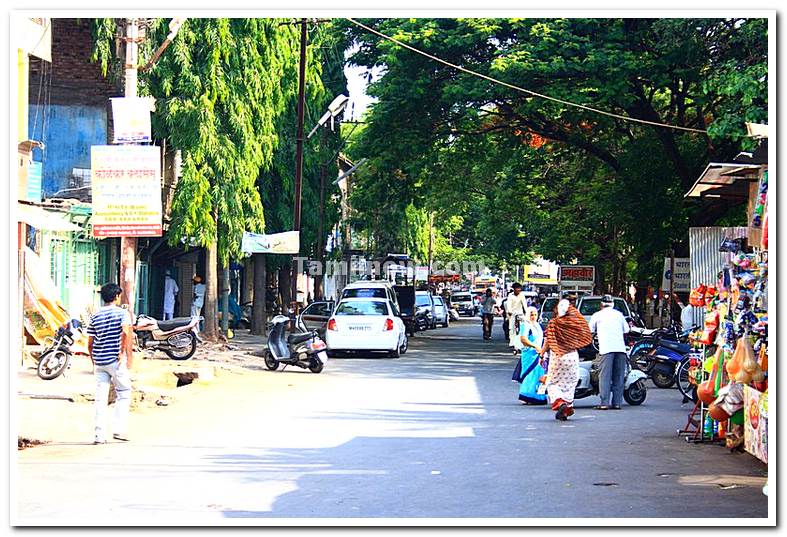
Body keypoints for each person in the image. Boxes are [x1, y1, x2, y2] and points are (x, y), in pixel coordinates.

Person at [86, 283, 133, 444]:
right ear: (117, 296)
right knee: (124, 392)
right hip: (115, 360)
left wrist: (93, 359)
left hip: (99, 361)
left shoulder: (95, 315)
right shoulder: (122, 313)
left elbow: (90, 342)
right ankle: (119, 430)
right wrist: (121, 352)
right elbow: (125, 332)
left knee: (100, 398)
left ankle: (99, 435)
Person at [540, 299, 592, 421]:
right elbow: (584, 334)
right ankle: (567, 407)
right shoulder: (575, 323)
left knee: (553, 382)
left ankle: (560, 403)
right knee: (570, 383)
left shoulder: (554, 323)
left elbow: (548, 340)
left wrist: (542, 354)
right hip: (572, 356)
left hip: (557, 356)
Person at [589, 294, 630, 410]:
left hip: (606, 349)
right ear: (613, 304)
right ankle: (617, 403)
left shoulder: (597, 315)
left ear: (601, 304)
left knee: (605, 377)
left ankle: (604, 403)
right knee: (619, 376)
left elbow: (590, 330)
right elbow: (626, 330)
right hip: (620, 349)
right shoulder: (619, 315)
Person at [514, 307, 547, 405]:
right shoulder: (525, 325)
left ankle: (537, 396)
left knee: (539, 374)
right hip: (529, 354)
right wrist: (534, 346)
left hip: (539, 353)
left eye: (535, 315)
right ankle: (527, 396)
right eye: (531, 315)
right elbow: (523, 339)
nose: (533, 317)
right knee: (529, 374)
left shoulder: (537, 325)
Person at [506, 283, 528, 347]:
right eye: (517, 288)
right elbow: (509, 304)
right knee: (512, 327)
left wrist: (526, 312)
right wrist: (509, 311)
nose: (518, 290)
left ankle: (522, 341)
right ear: (514, 289)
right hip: (512, 313)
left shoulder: (522, 295)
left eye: (519, 289)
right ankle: (512, 341)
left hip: (520, 313)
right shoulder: (510, 295)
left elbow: (524, 304)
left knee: (523, 326)